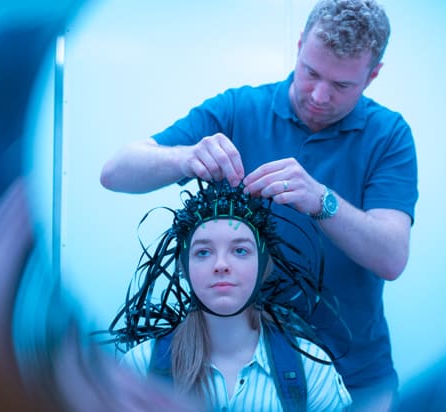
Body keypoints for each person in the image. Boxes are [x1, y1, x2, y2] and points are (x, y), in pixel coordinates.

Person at [100, 1, 418, 410]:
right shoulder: (237, 110)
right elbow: (115, 172)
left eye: (341, 86)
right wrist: (183, 157)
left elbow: (392, 256)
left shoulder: (388, 135)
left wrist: (322, 201)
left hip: (356, 371)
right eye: (311, 73)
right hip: (241, 368)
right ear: (300, 45)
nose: (319, 96)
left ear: (372, 75)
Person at [107, 179, 352, 411]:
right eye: (203, 252)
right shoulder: (140, 367)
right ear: (183, 267)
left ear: (264, 266)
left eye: (240, 250)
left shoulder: (311, 369)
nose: (221, 265)